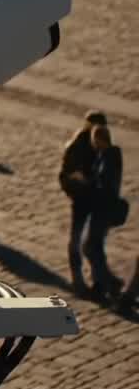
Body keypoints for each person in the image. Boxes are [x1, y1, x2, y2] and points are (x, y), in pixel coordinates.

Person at [60, 111, 109, 295]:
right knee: (76, 238)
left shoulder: (103, 144)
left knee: (94, 242)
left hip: (96, 200)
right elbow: (64, 175)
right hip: (81, 199)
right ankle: (77, 277)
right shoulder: (76, 145)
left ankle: (101, 279)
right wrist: (77, 186)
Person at [84, 124, 124, 300]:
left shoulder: (110, 158)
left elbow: (105, 186)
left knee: (91, 247)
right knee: (94, 247)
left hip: (103, 210)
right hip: (99, 210)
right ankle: (104, 283)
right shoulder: (104, 156)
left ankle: (105, 283)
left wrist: (88, 185)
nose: (93, 143)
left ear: (100, 140)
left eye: (94, 140)